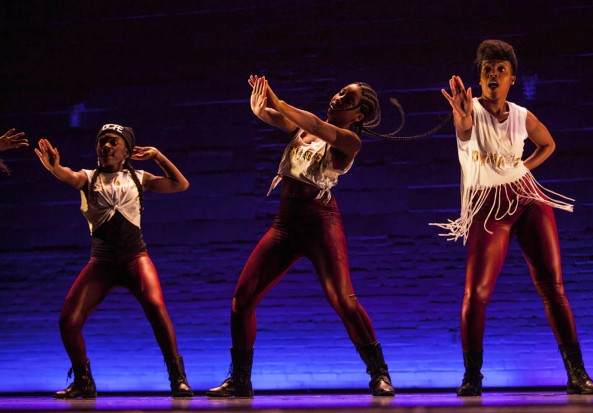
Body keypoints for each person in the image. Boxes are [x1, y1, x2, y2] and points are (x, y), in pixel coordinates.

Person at [206, 76, 397, 398]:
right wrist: (262, 107)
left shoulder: (349, 140)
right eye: (339, 92)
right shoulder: (303, 129)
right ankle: (240, 379)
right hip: (285, 223)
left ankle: (379, 374)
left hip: (319, 220)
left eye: (346, 98)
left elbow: (318, 126)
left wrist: (280, 103)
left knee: (342, 299)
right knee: (242, 299)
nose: (336, 98)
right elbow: (276, 117)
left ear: (359, 114)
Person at [434, 39, 593, 396]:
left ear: (511, 78)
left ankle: (577, 373)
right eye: (487, 70)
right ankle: (472, 377)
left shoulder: (523, 116)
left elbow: (549, 144)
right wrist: (461, 119)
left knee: (552, 286)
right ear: (479, 78)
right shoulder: (469, 110)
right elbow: (464, 131)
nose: (493, 75)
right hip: (488, 205)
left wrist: (522, 168)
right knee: (476, 292)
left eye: (500, 70)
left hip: (526, 199)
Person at [35, 124, 193, 399]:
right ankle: (84, 382)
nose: (106, 146)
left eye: (112, 142)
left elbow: (181, 185)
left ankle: (178, 378)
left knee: (156, 306)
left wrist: (157, 156)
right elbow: (70, 176)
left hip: (135, 259)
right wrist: (54, 169)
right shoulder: (88, 178)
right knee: (68, 320)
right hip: (102, 263)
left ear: (127, 152)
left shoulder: (140, 178)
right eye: (102, 142)